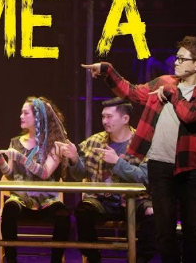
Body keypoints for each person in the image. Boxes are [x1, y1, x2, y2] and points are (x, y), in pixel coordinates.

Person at [82, 35, 196, 263]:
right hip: (159, 166)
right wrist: (107, 70)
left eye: (182, 59)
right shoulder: (164, 82)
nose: (176, 62)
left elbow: (191, 115)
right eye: (177, 57)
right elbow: (132, 92)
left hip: (190, 168)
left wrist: (172, 93)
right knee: (164, 231)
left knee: (192, 230)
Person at [58, 97, 156, 263]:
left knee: (153, 214)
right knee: (83, 211)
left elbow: (144, 177)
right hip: (103, 201)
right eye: (103, 117)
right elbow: (79, 174)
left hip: (134, 200)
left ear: (125, 118)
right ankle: (93, 257)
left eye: (109, 117)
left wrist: (117, 162)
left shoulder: (142, 143)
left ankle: (138, 259)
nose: (104, 121)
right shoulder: (94, 141)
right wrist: (74, 158)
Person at [0, 96, 70, 263]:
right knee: (8, 210)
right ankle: (11, 260)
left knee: (62, 214)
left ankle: (56, 260)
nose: (21, 116)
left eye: (25, 113)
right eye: (21, 113)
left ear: (38, 117)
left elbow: (44, 173)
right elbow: (10, 174)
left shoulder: (54, 143)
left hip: (47, 200)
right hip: (21, 198)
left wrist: (21, 158)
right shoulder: (15, 142)